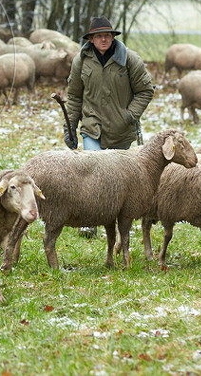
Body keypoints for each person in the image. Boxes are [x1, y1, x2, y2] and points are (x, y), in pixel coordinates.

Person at [60, 16, 154, 236]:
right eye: (99, 36)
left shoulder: (129, 59)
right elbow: (74, 96)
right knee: (92, 174)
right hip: (92, 127)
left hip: (121, 131)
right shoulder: (81, 60)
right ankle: (89, 221)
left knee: (119, 180)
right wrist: (70, 127)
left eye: (107, 35)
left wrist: (129, 115)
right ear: (91, 39)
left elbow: (146, 91)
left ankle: (119, 220)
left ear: (113, 37)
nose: (104, 39)